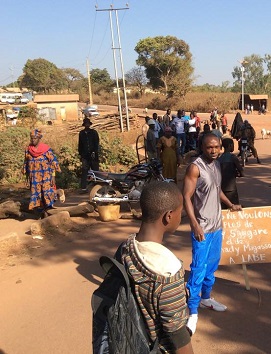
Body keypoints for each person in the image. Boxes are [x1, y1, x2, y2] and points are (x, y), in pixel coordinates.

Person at [116, 180, 194, 353]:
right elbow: (177, 334)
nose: (181, 217)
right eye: (180, 212)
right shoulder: (167, 270)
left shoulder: (127, 247)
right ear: (168, 216)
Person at [183, 133, 242, 335]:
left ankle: (206, 298)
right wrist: (194, 224)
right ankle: (192, 312)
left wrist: (230, 204)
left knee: (212, 265)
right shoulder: (195, 167)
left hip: (217, 225)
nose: (214, 150)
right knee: (198, 268)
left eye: (217, 147)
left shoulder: (216, 165)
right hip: (202, 227)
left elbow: (216, 190)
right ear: (202, 147)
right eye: (209, 147)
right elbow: (186, 197)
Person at [23, 129, 61, 213]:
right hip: (34, 177)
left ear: (39, 138)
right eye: (32, 138)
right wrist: (27, 177)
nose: (33, 140)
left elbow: (53, 162)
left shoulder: (46, 149)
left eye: (35, 138)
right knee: (36, 192)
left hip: (46, 175)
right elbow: (26, 163)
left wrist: (53, 176)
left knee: (47, 191)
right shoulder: (28, 149)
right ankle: (41, 211)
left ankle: (50, 209)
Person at [218, 138, 244, 208]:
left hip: (222, 189)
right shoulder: (233, 157)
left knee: (224, 208)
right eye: (232, 145)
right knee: (234, 207)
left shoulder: (219, 159)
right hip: (231, 188)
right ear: (230, 146)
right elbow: (241, 172)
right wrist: (238, 174)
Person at [78, 117, 100, 192]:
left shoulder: (94, 132)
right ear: (84, 125)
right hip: (85, 156)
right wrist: (80, 154)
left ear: (89, 125)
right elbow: (80, 144)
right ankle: (83, 188)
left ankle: (97, 187)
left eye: (88, 124)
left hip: (93, 155)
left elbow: (96, 143)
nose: (87, 125)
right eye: (85, 124)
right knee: (84, 171)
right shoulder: (81, 133)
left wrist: (94, 152)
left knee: (95, 171)